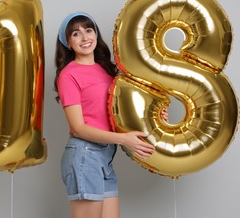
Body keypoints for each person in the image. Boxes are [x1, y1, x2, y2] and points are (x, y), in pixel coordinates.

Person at [54, 12, 162, 218]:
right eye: (76, 34)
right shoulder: (69, 75)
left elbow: (124, 109)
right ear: (68, 42)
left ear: (96, 34)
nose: (85, 38)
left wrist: (156, 113)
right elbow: (79, 127)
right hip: (84, 155)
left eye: (88, 30)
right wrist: (124, 139)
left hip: (105, 156)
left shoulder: (108, 70)